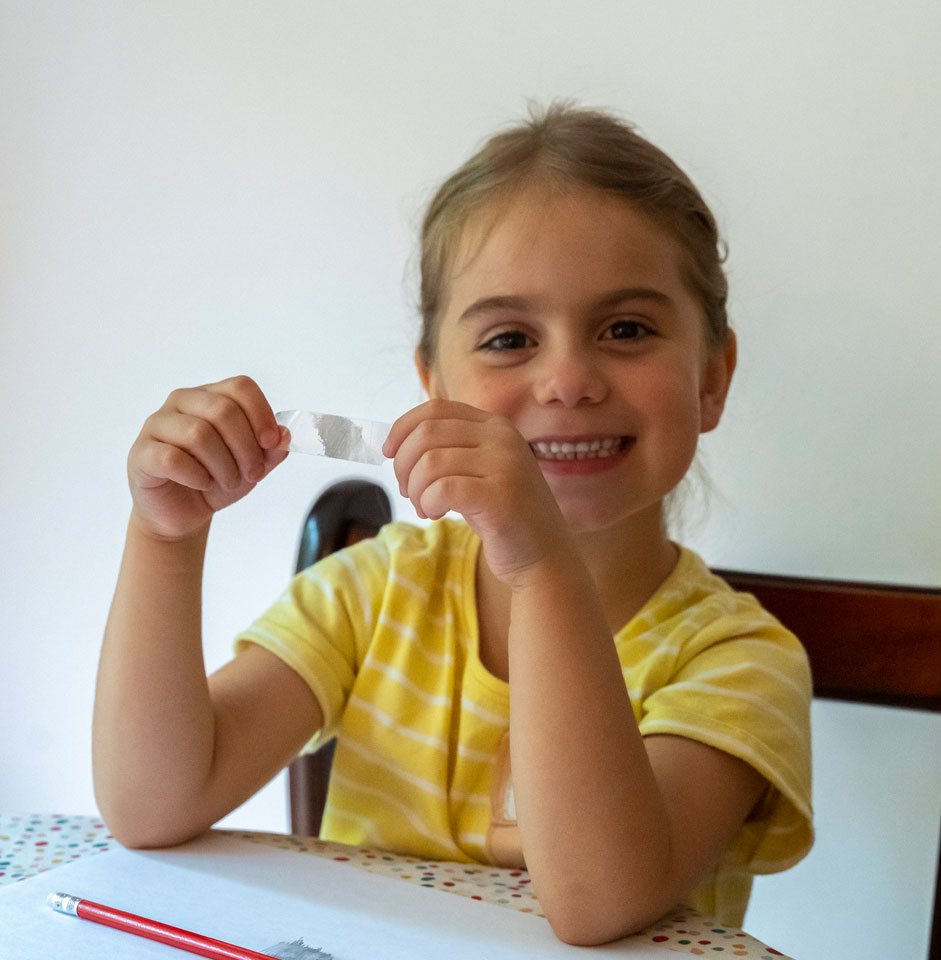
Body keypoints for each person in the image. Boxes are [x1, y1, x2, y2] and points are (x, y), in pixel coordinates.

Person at [93, 101, 813, 946]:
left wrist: (541, 568)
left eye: (627, 329)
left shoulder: (741, 661)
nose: (569, 381)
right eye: (509, 339)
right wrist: (165, 538)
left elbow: (599, 902)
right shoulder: (377, 592)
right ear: (434, 385)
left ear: (712, 378)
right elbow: (152, 805)